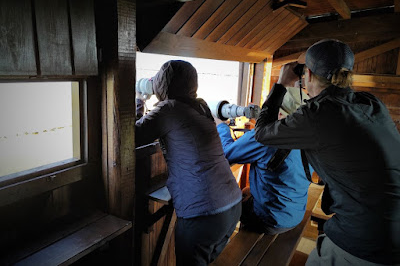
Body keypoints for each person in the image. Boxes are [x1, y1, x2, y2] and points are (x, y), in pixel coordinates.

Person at [254, 39, 400, 265]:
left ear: (308, 74)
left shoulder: (318, 114)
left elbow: (262, 132)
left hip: (367, 236)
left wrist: (281, 85)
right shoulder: (371, 103)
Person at [135, 60, 242, 266]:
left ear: (163, 84)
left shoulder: (169, 108)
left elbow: (134, 135)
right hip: (231, 205)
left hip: (204, 213)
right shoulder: (201, 108)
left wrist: (139, 101)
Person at [215, 87, 313, 235]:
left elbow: (226, 154)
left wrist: (221, 126)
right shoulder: (308, 137)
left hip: (269, 220)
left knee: (221, 202)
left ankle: (229, 244)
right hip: (294, 214)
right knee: (247, 191)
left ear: (278, 113)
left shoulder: (267, 137)